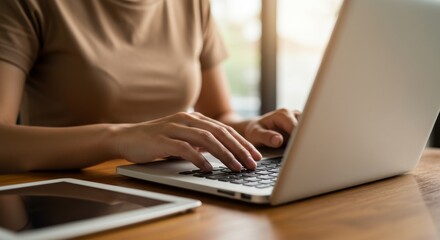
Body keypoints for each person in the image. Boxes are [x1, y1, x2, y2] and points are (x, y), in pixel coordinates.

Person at [0, 0, 300, 173]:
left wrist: (250, 130)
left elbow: (219, 114)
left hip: (176, 191)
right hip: (71, 196)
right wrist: (117, 138)